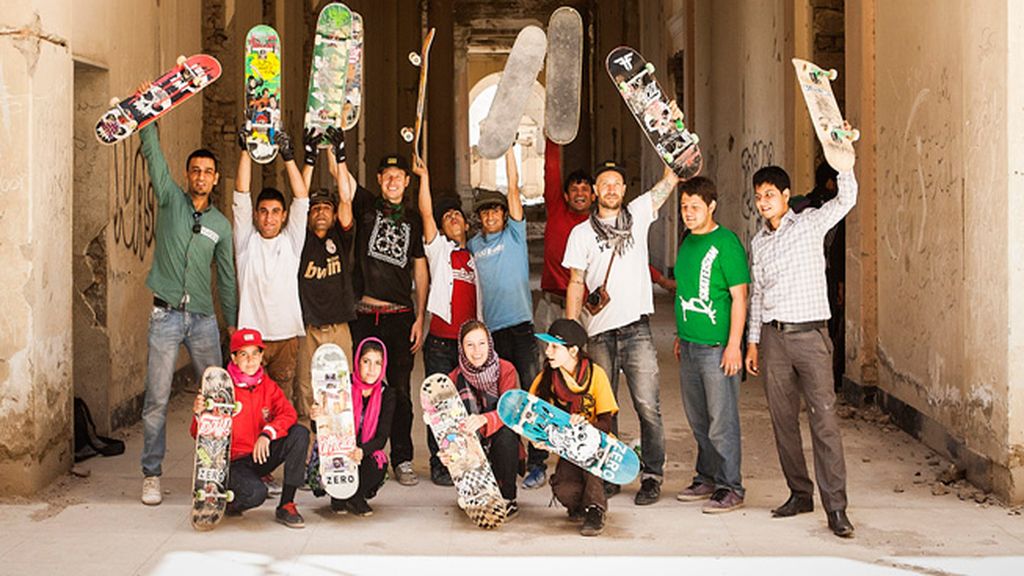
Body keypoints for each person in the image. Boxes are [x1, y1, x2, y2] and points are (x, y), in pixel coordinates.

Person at [745, 163, 858, 538]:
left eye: (770, 195)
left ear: (786, 196)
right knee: (783, 423)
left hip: (811, 337)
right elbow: (758, 295)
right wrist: (753, 341)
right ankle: (799, 492)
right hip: (775, 339)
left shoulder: (810, 224)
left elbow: (847, 199)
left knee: (824, 422)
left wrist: (844, 164)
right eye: (759, 196)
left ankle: (836, 508)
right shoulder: (758, 242)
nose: (763, 202)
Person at [563, 158, 679, 505]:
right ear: (596, 190)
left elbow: (669, 180)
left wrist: (670, 130)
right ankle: (610, 472)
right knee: (603, 409)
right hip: (598, 333)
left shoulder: (639, 213)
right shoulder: (581, 233)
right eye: (605, 184)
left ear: (624, 190)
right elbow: (575, 283)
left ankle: (652, 475)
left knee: (648, 406)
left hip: (637, 330)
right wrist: (570, 336)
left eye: (617, 183)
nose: (611, 189)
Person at [137, 110, 237, 506]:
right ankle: (151, 474)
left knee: (217, 399)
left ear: (214, 178)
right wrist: (146, 117)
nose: (200, 176)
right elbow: (153, 157)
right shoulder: (169, 200)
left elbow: (227, 278)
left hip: (203, 322)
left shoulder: (221, 225)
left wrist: (232, 325)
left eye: (207, 171)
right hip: (164, 316)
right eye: (194, 170)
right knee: (157, 399)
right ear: (187, 174)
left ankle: (220, 471)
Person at [468, 149, 546, 489]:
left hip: (522, 328)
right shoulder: (473, 245)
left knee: (530, 393)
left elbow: (514, 188)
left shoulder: (514, 235)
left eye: (496, 210)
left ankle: (539, 462)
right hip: (494, 333)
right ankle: (510, 457)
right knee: (502, 397)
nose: (491, 216)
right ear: (480, 217)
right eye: (485, 212)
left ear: (503, 214)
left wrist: (509, 150)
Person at [349, 153, 428, 486]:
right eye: (388, 176)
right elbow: (345, 182)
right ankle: (357, 452)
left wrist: (420, 316)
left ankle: (402, 458)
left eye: (400, 176)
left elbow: (420, 269)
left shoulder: (413, 220)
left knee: (398, 392)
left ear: (406, 182)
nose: (394, 181)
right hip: (365, 315)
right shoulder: (366, 208)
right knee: (360, 387)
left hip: (399, 316)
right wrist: (332, 146)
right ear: (379, 180)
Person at [672, 176, 749, 513]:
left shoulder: (727, 243)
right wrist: (679, 333)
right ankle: (706, 477)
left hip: (717, 347)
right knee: (699, 419)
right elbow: (684, 292)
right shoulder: (687, 242)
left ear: (711, 206)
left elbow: (740, 298)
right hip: (689, 345)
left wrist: (735, 345)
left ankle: (731, 486)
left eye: (695, 207)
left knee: (722, 421)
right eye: (684, 207)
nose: (688, 213)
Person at [190, 328, 309, 528]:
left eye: (255, 353)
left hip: (259, 453)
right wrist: (199, 414)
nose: (250, 360)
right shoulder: (221, 390)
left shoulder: (267, 385)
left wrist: (268, 433)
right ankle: (227, 501)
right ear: (234, 358)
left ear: (262, 356)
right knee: (256, 494)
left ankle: (286, 504)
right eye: (243, 354)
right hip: (235, 462)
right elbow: (198, 434)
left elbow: (288, 414)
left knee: (299, 434)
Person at [233, 127, 309, 420]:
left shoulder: (291, 243)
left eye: (276, 211)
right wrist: (245, 152)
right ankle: (253, 462)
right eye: (263, 211)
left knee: (281, 405)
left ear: (283, 216)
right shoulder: (245, 243)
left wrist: (288, 158)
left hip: (287, 335)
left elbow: (301, 200)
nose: (269, 217)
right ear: (256, 214)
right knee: (249, 406)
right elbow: (241, 194)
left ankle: (276, 455)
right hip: (252, 338)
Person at [415, 156, 480, 487]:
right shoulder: (439, 251)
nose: (452, 218)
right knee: (438, 406)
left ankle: (468, 457)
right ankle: (439, 462)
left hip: (470, 347)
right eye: (447, 217)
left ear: (466, 225)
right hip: (441, 342)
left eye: (457, 215)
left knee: (469, 405)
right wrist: (424, 177)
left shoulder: (476, 255)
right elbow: (426, 212)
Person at [530, 318, 618, 537]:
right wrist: (539, 439)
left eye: (554, 347)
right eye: (547, 345)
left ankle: (595, 509)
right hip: (566, 448)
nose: (548, 352)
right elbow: (533, 419)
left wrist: (584, 427)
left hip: (596, 444)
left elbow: (607, 423)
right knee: (564, 490)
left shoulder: (596, 375)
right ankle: (583, 504)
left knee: (589, 455)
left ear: (573, 351)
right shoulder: (546, 379)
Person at [295, 127, 357, 424]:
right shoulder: (300, 239)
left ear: (333, 216)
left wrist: (340, 157)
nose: (320, 212)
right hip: (307, 327)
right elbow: (298, 199)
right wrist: (309, 160)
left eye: (326, 209)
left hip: (338, 326)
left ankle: (340, 451)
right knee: (307, 392)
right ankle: (310, 456)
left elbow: (346, 200)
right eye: (315, 208)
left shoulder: (340, 237)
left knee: (341, 389)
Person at [442, 320, 521, 518]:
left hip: (499, 443)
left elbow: (511, 412)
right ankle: (475, 491)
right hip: (472, 444)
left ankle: (507, 497)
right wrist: (447, 450)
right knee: (462, 433)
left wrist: (485, 419)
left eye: (482, 343)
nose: (477, 351)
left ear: (490, 344)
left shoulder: (506, 369)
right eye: (470, 345)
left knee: (507, 434)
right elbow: (449, 426)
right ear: (462, 347)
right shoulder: (453, 378)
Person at [311, 337, 395, 517]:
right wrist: (316, 415)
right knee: (331, 459)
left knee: (378, 464)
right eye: (366, 362)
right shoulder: (342, 386)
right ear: (357, 362)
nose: (372, 369)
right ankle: (338, 496)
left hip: (362, 451)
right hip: (337, 447)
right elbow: (319, 427)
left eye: (377, 363)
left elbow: (381, 438)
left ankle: (355, 497)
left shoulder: (386, 393)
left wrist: (362, 451)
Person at [535, 169, 595, 335]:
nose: (579, 194)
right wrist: (554, 142)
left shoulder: (599, 226)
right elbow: (552, 172)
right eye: (574, 190)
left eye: (585, 189)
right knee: (547, 356)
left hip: (584, 308)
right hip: (551, 304)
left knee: (584, 356)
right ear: (566, 196)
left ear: (593, 195)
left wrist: (661, 280)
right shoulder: (557, 211)